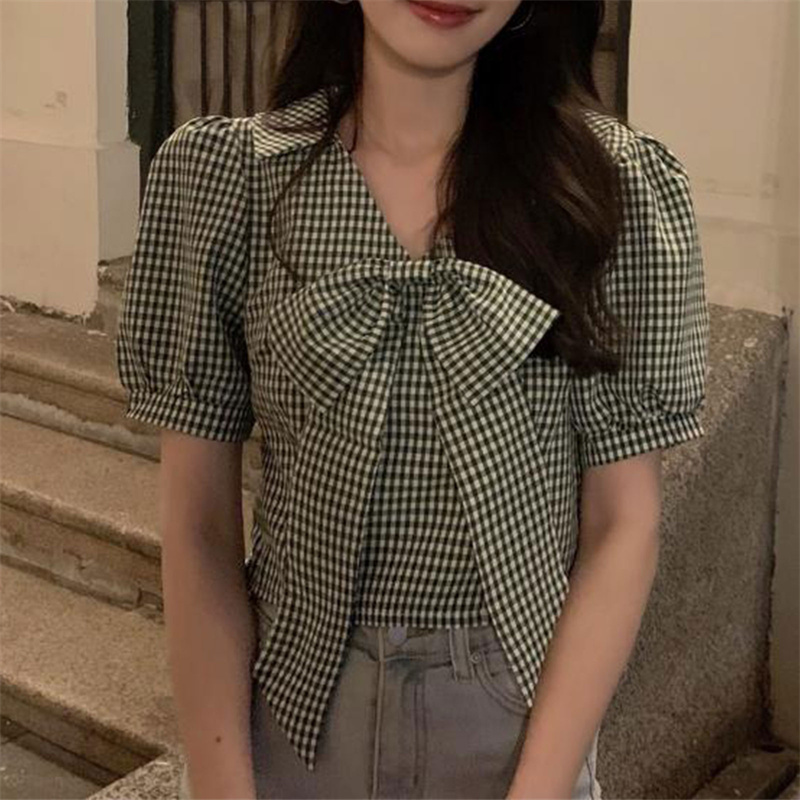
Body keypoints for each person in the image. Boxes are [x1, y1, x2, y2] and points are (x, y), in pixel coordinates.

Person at [117, 1, 710, 797]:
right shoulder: (227, 181)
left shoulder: (612, 191)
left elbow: (622, 526)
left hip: (518, 725)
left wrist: (539, 788)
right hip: (289, 718)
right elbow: (198, 529)